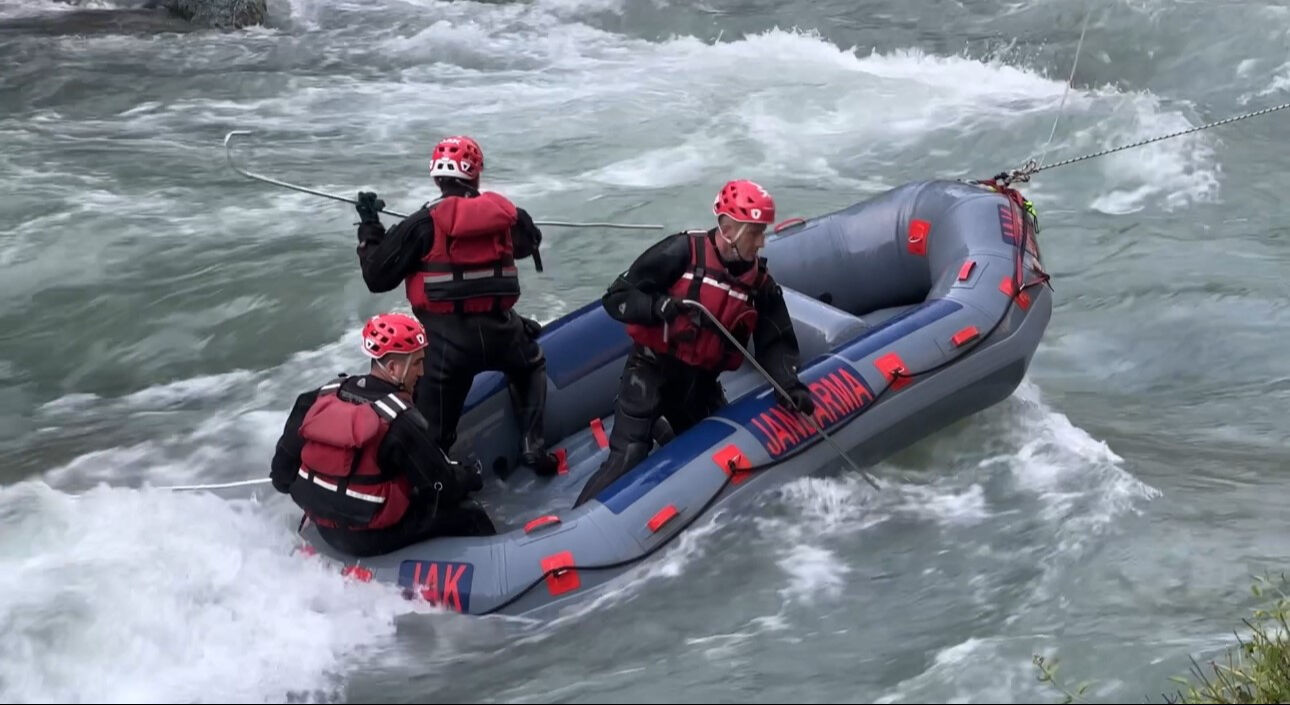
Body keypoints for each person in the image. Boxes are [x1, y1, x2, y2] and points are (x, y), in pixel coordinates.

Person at [573, 179, 817, 507]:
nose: (762, 242)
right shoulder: (680, 252)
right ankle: (578, 524)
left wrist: (790, 384)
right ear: (729, 229)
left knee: (723, 453)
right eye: (755, 232)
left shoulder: (759, 284)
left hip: (699, 385)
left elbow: (775, 342)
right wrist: (656, 307)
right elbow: (617, 297)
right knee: (628, 458)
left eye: (762, 231)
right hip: (650, 370)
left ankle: (665, 431)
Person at [351, 135, 559, 477]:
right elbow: (528, 243)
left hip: (446, 347)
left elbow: (377, 277)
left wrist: (371, 227)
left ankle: (434, 483)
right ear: (476, 176)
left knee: (433, 433)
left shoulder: (420, 225)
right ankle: (533, 445)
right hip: (503, 333)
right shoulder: (507, 216)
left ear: (436, 177)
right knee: (531, 365)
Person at [270, 312, 495, 557]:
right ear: (393, 368)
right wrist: (472, 475)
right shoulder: (399, 420)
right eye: (418, 362)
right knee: (469, 512)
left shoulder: (316, 398)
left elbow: (281, 477)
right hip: (369, 539)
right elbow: (443, 488)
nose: (421, 372)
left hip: (325, 530)